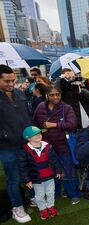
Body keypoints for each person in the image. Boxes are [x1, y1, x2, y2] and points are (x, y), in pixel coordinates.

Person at [33, 85, 81, 204]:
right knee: (51, 170)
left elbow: (73, 124)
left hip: (63, 145)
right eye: (52, 95)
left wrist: (54, 125)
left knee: (68, 170)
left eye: (57, 94)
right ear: (47, 96)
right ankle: (56, 193)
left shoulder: (66, 107)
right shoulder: (40, 107)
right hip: (46, 147)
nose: (55, 97)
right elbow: (34, 123)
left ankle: (73, 194)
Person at [0, 65, 32, 223]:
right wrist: (5, 135)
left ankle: (30, 198)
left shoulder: (20, 93)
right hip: (7, 147)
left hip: (26, 143)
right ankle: (17, 208)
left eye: (13, 80)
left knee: (30, 172)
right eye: (6, 81)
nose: (11, 83)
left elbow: (28, 115)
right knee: (14, 178)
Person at [19, 126, 62, 220]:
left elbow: (55, 160)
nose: (38, 135)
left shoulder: (47, 145)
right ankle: (43, 209)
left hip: (49, 176)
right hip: (36, 179)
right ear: (28, 138)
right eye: (35, 135)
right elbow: (23, 167)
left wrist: (58, 171)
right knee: (39, 195)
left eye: (39, 133)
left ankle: (50, 206)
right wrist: (27, 180)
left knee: (51, 192)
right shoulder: (25, 151)